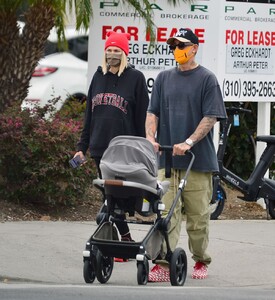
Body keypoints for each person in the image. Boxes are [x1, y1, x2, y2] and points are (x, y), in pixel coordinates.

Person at [145, 28, 227, 281]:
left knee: (198, 218)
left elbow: (211, 116)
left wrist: (189, 141)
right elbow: (153, 112)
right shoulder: (163, 78)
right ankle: (163, 263)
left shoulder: (206, 79)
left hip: (197, 162)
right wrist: (151, 138)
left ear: (194, 48)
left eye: (181, 46)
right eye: (173, 46)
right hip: (167, 160)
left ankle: (201, 259)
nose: (176, 51)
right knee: (166, 215)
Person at [74, 31, 149, 261]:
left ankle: (123, 240)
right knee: (109, 198)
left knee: (124, 199)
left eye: (117, 50)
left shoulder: (136, 78)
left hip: (125, 151)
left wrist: (143, 148)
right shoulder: (98, 78)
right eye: (109, 50)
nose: (112, 54)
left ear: (124, 53)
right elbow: (89, 116)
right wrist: (81, 147)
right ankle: (123, 241)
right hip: (100, 149)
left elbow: (141, 118)